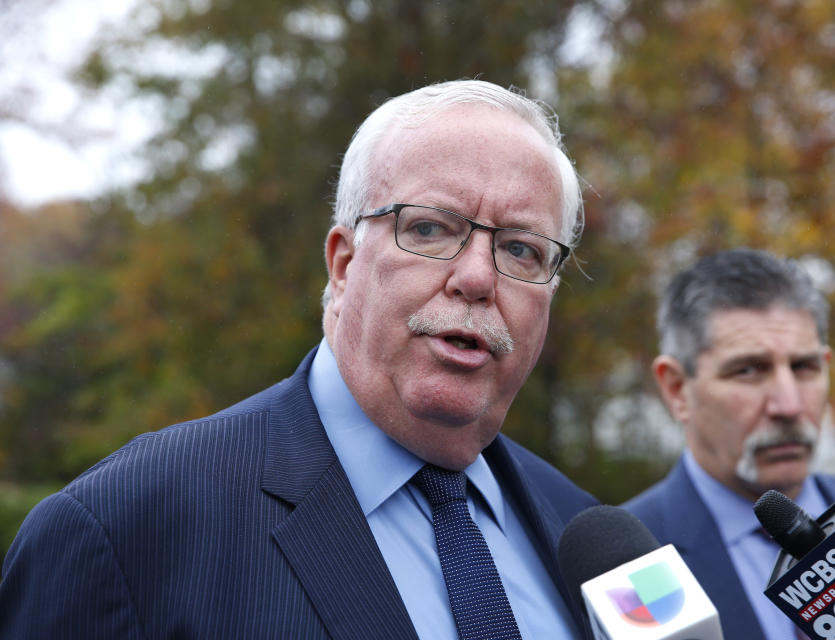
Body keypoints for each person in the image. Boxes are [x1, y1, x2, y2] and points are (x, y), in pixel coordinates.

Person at [0, 80, 599, 639]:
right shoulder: (124, 529)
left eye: (521, 249)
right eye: (429, 229)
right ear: (342, 265)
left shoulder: (592, 536)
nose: (475, 277)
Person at [622, 248, 835, 639]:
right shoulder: (628, 565)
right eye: (748, 370)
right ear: (677, 389)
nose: (790, 404)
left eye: (804, 367)